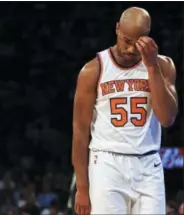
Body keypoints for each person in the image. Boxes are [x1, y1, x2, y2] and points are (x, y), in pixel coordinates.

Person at [72, 7, 178, 215]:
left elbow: (167, 119)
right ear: (118, 29)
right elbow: (80, 132)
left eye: (137, 42)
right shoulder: (93, 70)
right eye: (127, 41)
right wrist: (82, 188)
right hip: (107, 162)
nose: (131, 50)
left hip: (149, 163)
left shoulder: (163, 66)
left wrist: (151, 67)